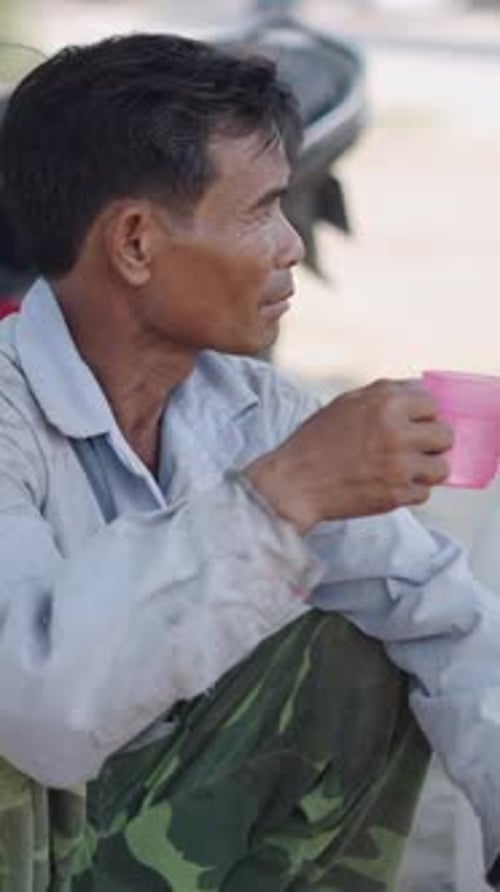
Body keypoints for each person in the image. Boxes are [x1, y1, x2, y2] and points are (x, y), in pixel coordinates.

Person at [0, 33, 499, 892]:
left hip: (129, 835)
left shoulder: (255, 408)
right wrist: (281, 497)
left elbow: (444, 614)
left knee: (362, 641)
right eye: (262, 209)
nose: (291, 246)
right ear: (134, 243)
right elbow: (44, 711)